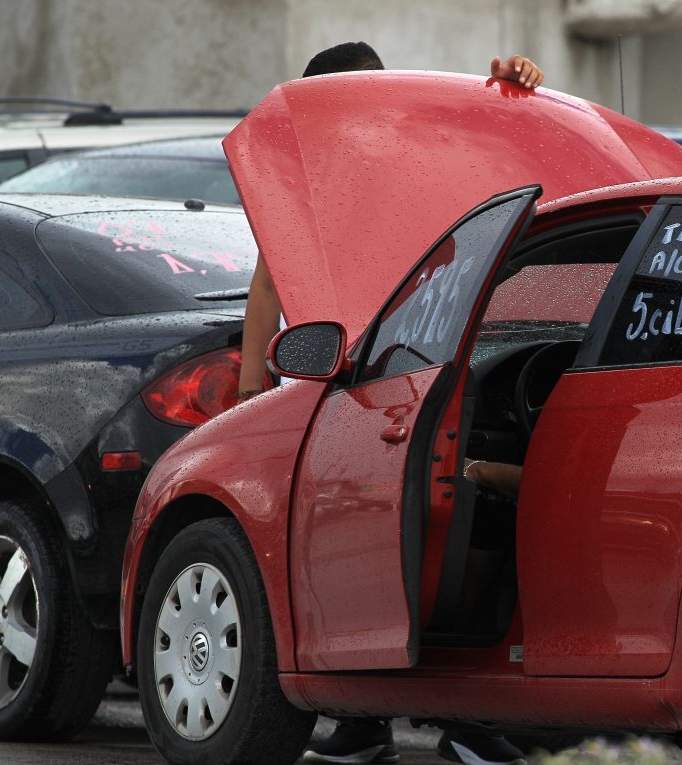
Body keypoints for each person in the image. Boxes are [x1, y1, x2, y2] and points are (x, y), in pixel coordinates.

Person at [254, 42, 542, 765]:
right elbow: (265, 309)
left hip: (399, 393)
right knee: (355, 566)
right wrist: (253, 414)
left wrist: (515, 90)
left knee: (414, 551)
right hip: (327, 400)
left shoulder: (409, 175)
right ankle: (366, 720)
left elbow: (506, 159)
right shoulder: (297, 199)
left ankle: (457, 721)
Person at [235, 43, 544, 402]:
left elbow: (488, 161)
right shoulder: (307, 182)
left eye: (341, 112)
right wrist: (248, 391)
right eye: (320, 116)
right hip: (328, 376)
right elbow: (269, 286)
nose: (335, 130)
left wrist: (509, 94)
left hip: (419, 360)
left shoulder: (423, 156)